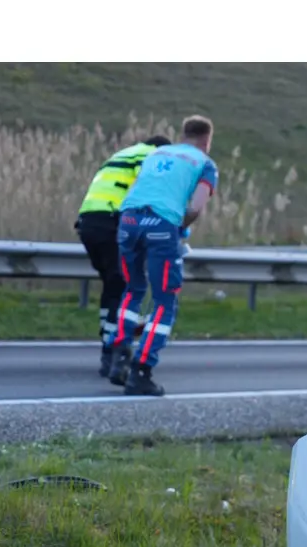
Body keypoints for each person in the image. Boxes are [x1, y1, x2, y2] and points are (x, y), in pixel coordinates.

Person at [105, 116, 219, 396]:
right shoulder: (205, 164)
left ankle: (118, 355)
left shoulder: (157, 154)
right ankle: (141, 370)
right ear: (207, 140)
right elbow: (195, 208)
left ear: (183, 134)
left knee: (133, 289)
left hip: (128, 221)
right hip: (161, 225)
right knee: (164, 301)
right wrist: (178, 228)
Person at [74, 135, 172, 377]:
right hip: (111, 221)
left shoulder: (124, 154)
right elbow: (147, 191)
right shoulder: (151, 156)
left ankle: (108, 343)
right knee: (125, 286)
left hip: (88, 223)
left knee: (113, 285)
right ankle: (113, 353)